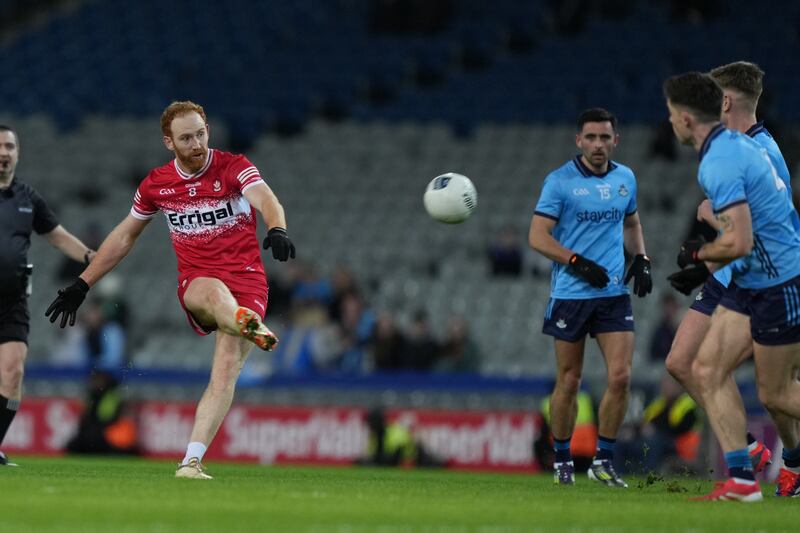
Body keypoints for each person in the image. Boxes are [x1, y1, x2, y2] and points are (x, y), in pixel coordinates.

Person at [45, 101, 296, 479]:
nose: (196, 143)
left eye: (200, 133)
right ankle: (243, 321)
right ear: (169, 142)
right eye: (186, 138)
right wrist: (83, 283)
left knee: (225, 372)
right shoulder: (157, 184)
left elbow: (266, 199)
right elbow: (124, 236)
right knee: (212, 293)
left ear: (207, 129)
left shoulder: (234, 166)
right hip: (197, 279)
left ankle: (190, 462)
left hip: (247, 280)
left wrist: (277, 228)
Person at [664, 63, 800, 498]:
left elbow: (746, 232)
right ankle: (745, 473)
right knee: (697, 366)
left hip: (771, 277)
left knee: (775, 393)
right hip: (744, 276)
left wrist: (703, 247)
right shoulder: (736, 148)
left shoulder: (739, 153)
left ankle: (790, 460)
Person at [529, 108, 652, 487]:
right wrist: (576, 261)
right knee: (569, 380)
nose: (598, 145)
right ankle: (563, 460)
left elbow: (631, 222)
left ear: (616, 140)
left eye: (605, 138)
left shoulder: (625, 178)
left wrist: (642, 258)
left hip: (613, 293)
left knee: (621, 376)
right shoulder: (560, 182)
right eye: (591, 138)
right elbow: (538, 237)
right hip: (571, 294)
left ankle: (604, 460)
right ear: (578, 140)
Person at [0, 125, 97, 467]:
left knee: (12, 373)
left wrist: (89, 257)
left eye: (9, 146)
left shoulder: (28, 198)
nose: (4, 152)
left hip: (12, 301)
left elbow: (56, 236)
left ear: (18, 152)